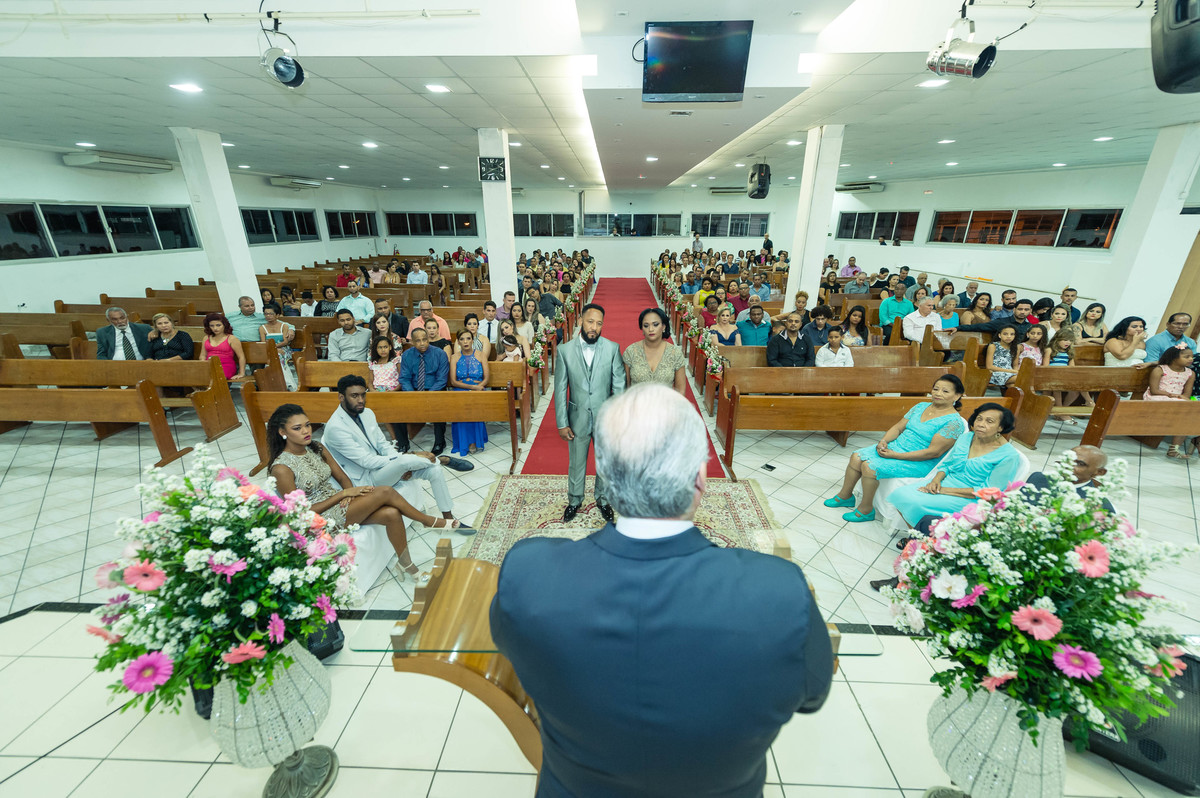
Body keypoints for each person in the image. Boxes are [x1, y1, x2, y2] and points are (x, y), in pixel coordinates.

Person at [491, 382, 833, 798]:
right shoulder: (780, 593)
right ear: (699, 480)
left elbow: (511, 646)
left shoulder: (528, 574)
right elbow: (812, 696)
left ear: (607, 475)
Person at [269, 404, 461, 584]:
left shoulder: (316, 447)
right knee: (385, 491)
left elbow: (342, 477)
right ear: (282, 432)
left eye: (308, 425)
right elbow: (301, 512)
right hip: (319, 519)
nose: (306, 431)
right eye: (297, 428)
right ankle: (427, 521)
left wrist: (349, 495)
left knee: (392, 514)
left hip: (340, 504)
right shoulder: (281, 468)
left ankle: (409, 567)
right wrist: (343, 494)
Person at [318, 377, 475, 541]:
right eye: (354, 396)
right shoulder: (335, 428)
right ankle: (439, 459)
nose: (361, 400)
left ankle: (448, 517)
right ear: (341, 397)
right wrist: (406, 460)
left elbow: (383, 445)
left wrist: (398, 467)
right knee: (404, 460)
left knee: (432, 470)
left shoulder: (367, 413)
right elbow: (367, 462)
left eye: (363, 395)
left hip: (383, 469)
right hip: (366, 480)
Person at [825, 375, 967, 523]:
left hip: (920, 460)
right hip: (896, 447)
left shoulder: (954, 422)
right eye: (935, 389)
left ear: (957, 395)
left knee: (869, 467)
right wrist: (884, 441)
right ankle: (845, 496)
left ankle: (866, 510)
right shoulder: (921, 406)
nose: (938, 394)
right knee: (856, 457)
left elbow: (933, 452)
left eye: (945, 391)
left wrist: (895, 455)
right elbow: (898, 427)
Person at [885, 403, 1023, 534]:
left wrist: (944, 490)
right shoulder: (966, 437)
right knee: (900, 494)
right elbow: (947, 464)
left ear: (1001, 427)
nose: (981, 424)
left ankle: (923, 539)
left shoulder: (1008, 456)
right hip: (946, 483)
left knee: (916, 502)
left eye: (989, 421)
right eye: (979, 419)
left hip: (972, 498)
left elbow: (990, 492)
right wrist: (936, 481)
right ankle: (920, 537)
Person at [555, 303, 625, 523]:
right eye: (590, 321)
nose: (594, 327)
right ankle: (574, 500)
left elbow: (620, 386)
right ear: (581, 320)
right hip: (577, 417)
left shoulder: (612, 348)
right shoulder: (564, 350)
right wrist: (561, 422)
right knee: (576, 461)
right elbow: (559, 389)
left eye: (599, 323)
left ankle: (603, 499)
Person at [1024, 445, 1115, 513]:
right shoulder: (1039, 478)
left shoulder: (1098, 505)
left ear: (1099, 472)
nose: (1068, 466)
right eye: (1067, 459)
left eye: (1080, 464)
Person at [1144, 345, 1196, 459]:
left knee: (1190, 413)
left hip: (1177, 399)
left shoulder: (1190, 373)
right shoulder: (1160, 369)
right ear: (1174, 358)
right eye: (1187, 356)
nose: (1191, 359)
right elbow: (1154, 390)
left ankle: (1174, 449)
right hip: (1158, 397)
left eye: (1192, 356)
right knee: (1183, 411)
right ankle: (1175, 448)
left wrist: (1179, 397)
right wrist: (1170, 395)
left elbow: (1187, 394)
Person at [623, 308, 686, 394]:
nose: (651, 329)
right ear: (642, 329)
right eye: (646, 325)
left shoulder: (675, 353)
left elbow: (680, 391)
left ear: (663, 327)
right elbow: (626, 388)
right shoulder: (631, 351)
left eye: (655, 324)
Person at [449, 329, 489, 456]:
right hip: (460, 389)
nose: (465, 342)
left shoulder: (481, 355)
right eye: (462, 339)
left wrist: (478, 387)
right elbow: (454, 381)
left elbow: (486, 378)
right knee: (461, 409)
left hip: (478, 388)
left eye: (468, 338)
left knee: (474, 409)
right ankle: (464, 441)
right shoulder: (454, 357)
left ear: (472, 340)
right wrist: (471, 388)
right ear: (458, 342)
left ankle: (474, 441)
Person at [958, 298, 1036, 340]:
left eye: (1026, 310)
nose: (1022, 312)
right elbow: (979, 326)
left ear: (1030, 311)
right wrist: (958, 328)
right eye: (1020, 309)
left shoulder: (1030, 327)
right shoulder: (1002, 322)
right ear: (1014, 309)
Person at [201, 312, 247, 380]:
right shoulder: (206, 338)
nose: (215, 328)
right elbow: (202, 355)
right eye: (212, 326)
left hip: (226, 366)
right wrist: (203, 366)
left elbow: (241, 357)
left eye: (218, 325)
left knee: (216, 378)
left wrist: (241, 373)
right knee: (196, 377)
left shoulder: (232, 339)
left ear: (224, 325)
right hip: (209, 365)